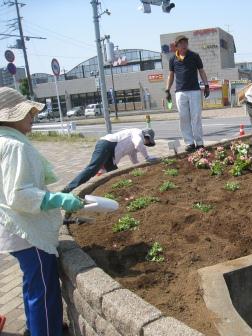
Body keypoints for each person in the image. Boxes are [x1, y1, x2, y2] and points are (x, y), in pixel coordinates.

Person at [0, 87, 85, 335]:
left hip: (13, 229)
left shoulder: (4, 141)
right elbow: (18, 195)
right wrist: (56, 198)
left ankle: (34, 328)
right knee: (44, 290)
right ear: (9, 117)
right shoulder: (15, 147)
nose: (32, 115)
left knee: (32, 284)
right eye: (26, 112)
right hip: (28, 233)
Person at [62, 128, 156, 193]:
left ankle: (94, 189)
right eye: (149, 142)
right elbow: (139, 143)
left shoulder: (134, 144)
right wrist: (147, 158)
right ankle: (68, 189)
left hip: (111, 152)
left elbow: (133, 158)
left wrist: (139, 170)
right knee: (93, 168)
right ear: (147, 136)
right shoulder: (137, 133)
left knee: (112, 174)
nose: (147, 144)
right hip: (107, 144)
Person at [165, 35, 210, 152]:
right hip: (180, 92)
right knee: (183, 118)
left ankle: (199, 142)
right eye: (181, 43)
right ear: (177, 46)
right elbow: (171, 75)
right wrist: (167, 89)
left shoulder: (194, 56)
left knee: (196, 117)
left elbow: (201, 71)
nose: (184, 45)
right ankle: (189, 143)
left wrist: (206, 85)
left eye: (185, 42)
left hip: (194, 91)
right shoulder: (172, 59)